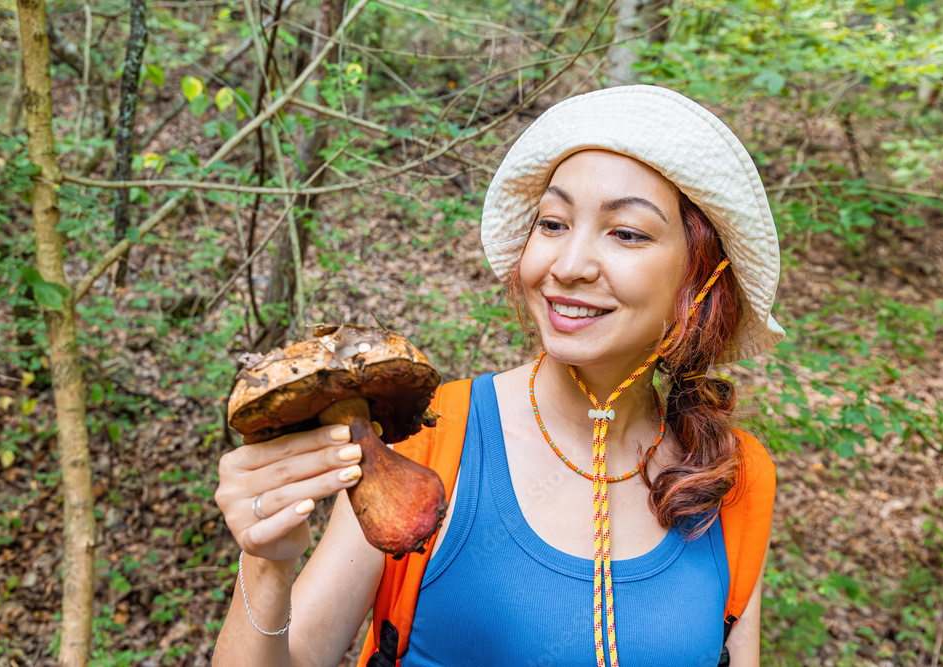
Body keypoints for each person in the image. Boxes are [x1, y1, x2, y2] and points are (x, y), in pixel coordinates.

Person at [212, 85, 785, 667]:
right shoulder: (432, 443)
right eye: (553, 223)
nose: (566, 266)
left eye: (626, 233)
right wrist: (266, 567)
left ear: (702, 279)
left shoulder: (733, 476)